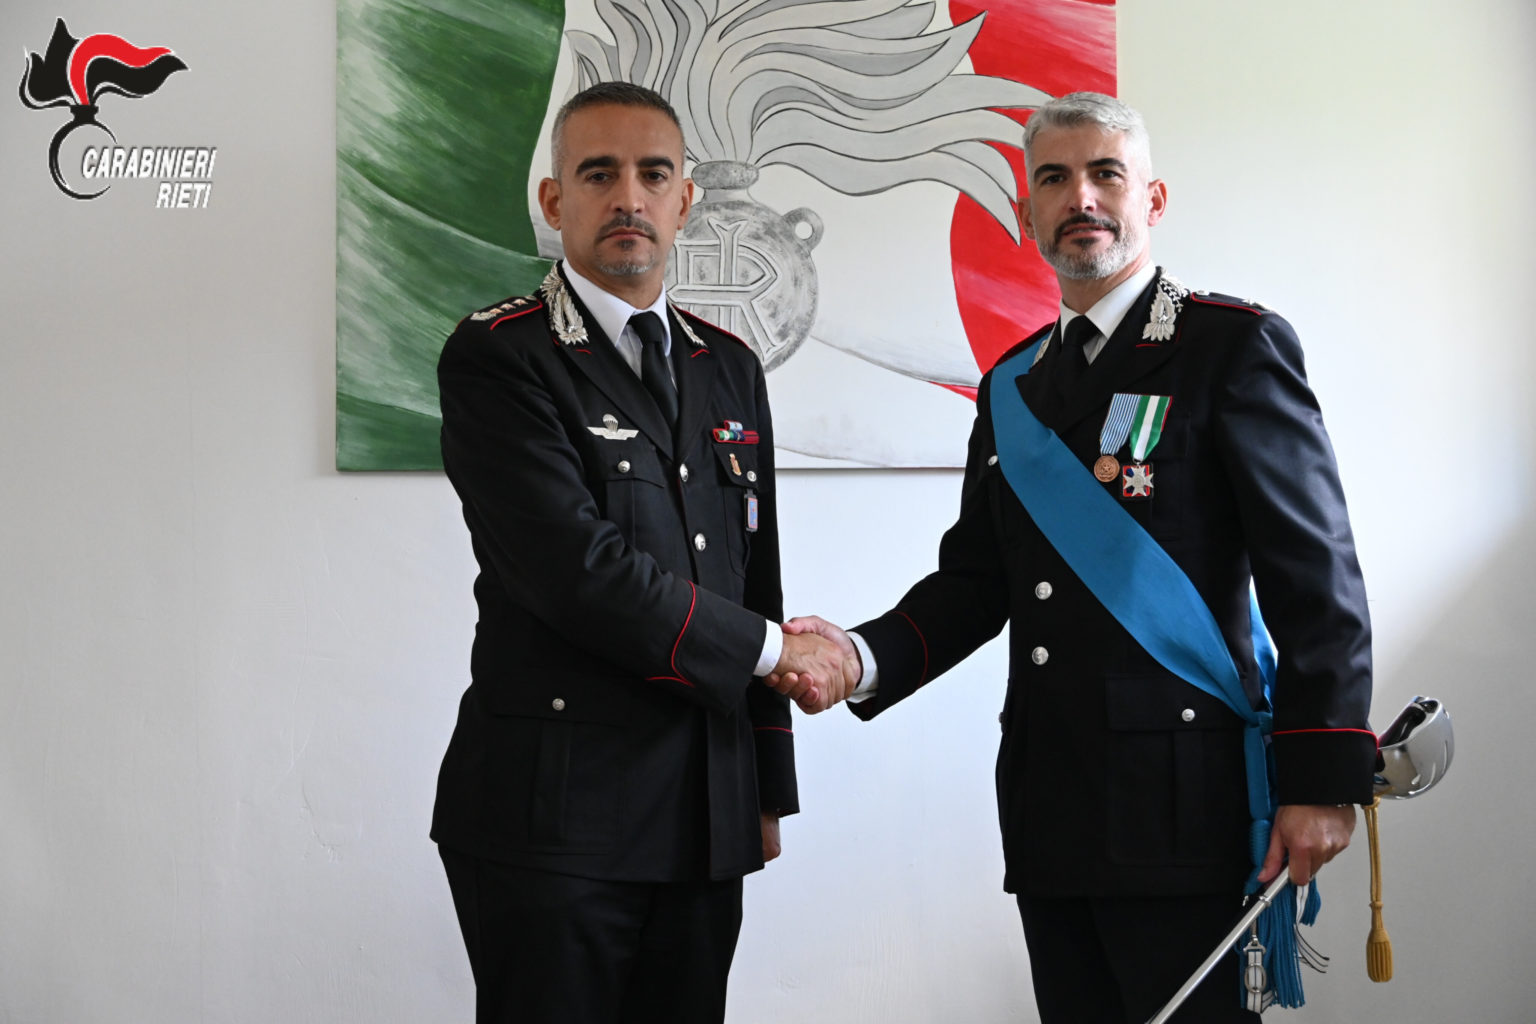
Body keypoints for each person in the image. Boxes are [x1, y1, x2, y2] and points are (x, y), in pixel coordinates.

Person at [774, 92, 1375, 1022]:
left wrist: (1322, 779)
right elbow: (977, 581)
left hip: (1186, 806)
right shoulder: (1012, 385)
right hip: (1053, 803)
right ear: (1027, 214)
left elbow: (1316, 576)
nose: (1080, 197)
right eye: (1054, 179)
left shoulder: (1229, 347)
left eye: (1106, 174)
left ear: (1152, 199)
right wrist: (859, 657)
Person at [431, 81, 855, 1024]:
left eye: (653, 174)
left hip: (703, 810)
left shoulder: (728, 364)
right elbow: (577, 572)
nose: (629, 196)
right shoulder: (500, 356)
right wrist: (776, 653)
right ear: (555, 201)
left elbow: (755, 574)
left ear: (685, 200)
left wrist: (765, 787)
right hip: (555, 818)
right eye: (599, 174)